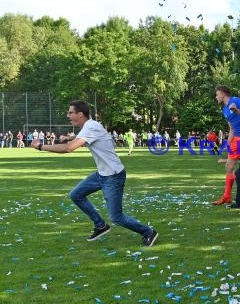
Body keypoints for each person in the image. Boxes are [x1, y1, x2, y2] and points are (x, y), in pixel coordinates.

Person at [30, 100, 158, 246]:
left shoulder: (90, 126)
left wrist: (40, 146)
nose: (68, 115)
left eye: (71, 112)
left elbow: (68, 149)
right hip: (102, 175)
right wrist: (71, 137)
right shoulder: (90, 126)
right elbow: (88, 140)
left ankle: (148, 232)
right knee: (76, 195)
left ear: (80, 114)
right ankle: (100, 225)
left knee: (116, 217)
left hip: (113, 176)